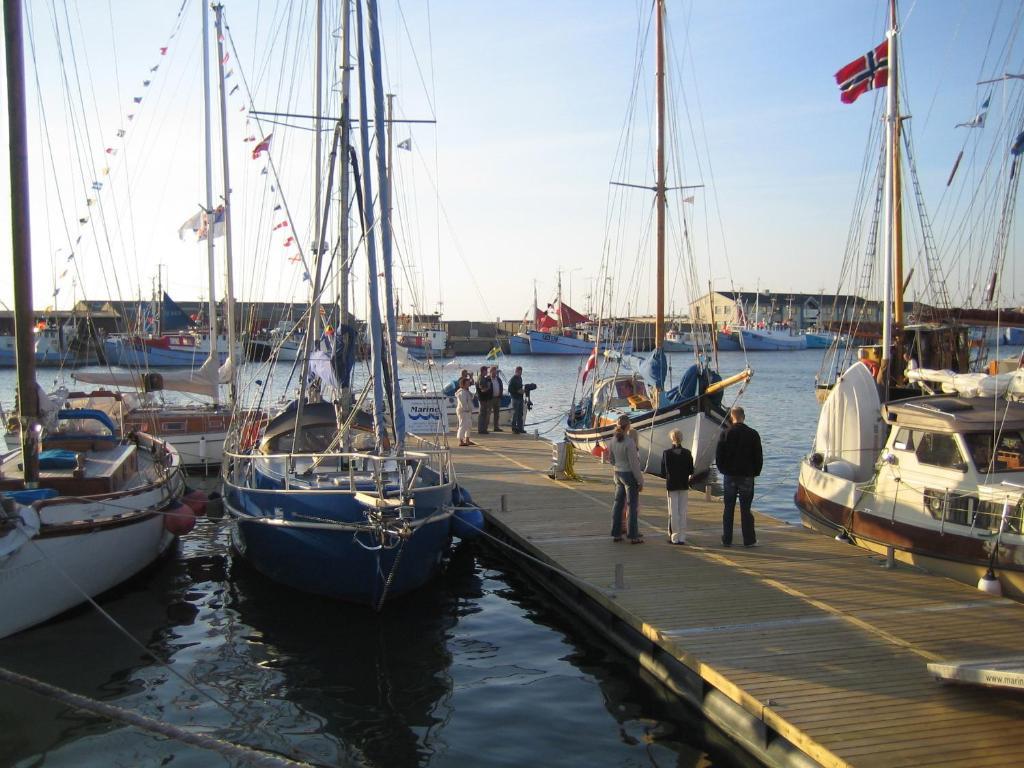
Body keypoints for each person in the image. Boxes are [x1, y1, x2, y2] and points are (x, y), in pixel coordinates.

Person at [716, 406, 763, 547]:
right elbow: (758, 456)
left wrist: (723, 469)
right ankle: (749, 539)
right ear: (744, 416)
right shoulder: (753, 434)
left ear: (732, 417)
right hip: (747, 475)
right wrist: (755, 472)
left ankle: (727, 539)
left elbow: (719, 456)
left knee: (728, 508)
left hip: (730, 475)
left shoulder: (725, 433)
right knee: (746, 509)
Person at [607, 415, 644, 543]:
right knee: (632, 505)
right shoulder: (629, 442)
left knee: (618, 503)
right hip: (628, 474)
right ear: (628, 426)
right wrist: (640, 480)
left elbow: (611, 460)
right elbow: (634, 465)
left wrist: (617, 465)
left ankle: (616, 533)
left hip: (617, 473)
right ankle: (633, 535)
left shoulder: (612, 441)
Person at [661, 429, 694, 545]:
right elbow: (691, 470)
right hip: (684, 484)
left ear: (671, 439)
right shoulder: (687, 453)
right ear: (681, 439)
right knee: (682, 511)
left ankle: (674, 537)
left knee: (673, 512)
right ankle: (682, 536)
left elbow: (663, 472)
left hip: (672, 485)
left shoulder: (667, 453)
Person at [455, 377, 475, 447]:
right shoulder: (461, 392)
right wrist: (466, 409)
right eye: (467, 383)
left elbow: (471, 397)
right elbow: (463, 402)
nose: (468, 384)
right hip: (463, 411)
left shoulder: (466, 391)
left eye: (468, 383)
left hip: (468, 411)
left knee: (469, 425)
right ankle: (460, 440)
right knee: (463, 425)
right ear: (463, 384)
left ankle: (467, 439)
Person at [475, 366, 492, 434]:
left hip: (483, 398)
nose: (487, 372)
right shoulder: (481, 378)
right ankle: (481, 429)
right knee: (482, 414)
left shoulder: (482, 378)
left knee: (483, 413)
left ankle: (483, 429)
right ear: (483, 371)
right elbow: (482, 389)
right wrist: (488, 387)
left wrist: (487, 380)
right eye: (486, 371)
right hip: (482, 399)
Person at [508, 366, 525, 433]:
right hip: (515, 398)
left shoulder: (520, 378)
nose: (520, 373)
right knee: (515, 414)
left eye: (521, 372)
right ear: (516, 371)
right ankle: (514, 428)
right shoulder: (513, 379)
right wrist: (517, 391)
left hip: (520, 398)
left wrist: (523, 390)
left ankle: (520, 428)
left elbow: (520, 387)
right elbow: (510, 389)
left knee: (520, 414)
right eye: (519, 372)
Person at [489, 365, 504, 432]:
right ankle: (485, 427)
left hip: (497, 398)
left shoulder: (498, 379)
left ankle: (496, 427)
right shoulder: (488, 379)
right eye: (493, 372)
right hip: (490, 398)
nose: (495, 374)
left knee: (497, 414)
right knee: (488, 413)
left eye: (495, 372)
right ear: (490, 372)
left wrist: (500, 394)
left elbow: (501, 387)